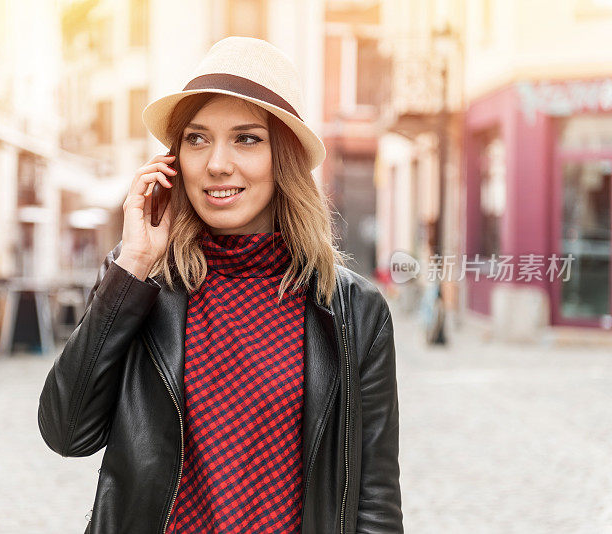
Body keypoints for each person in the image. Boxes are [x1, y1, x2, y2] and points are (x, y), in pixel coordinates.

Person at [38, 36, 402, 534]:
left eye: (247, 138)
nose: (216, 164)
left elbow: (375, 498)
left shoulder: (354, 310)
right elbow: (67, 431)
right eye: (197, 138)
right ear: (174, 160)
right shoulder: (144, 285)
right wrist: (134, 265)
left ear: (285, 157)